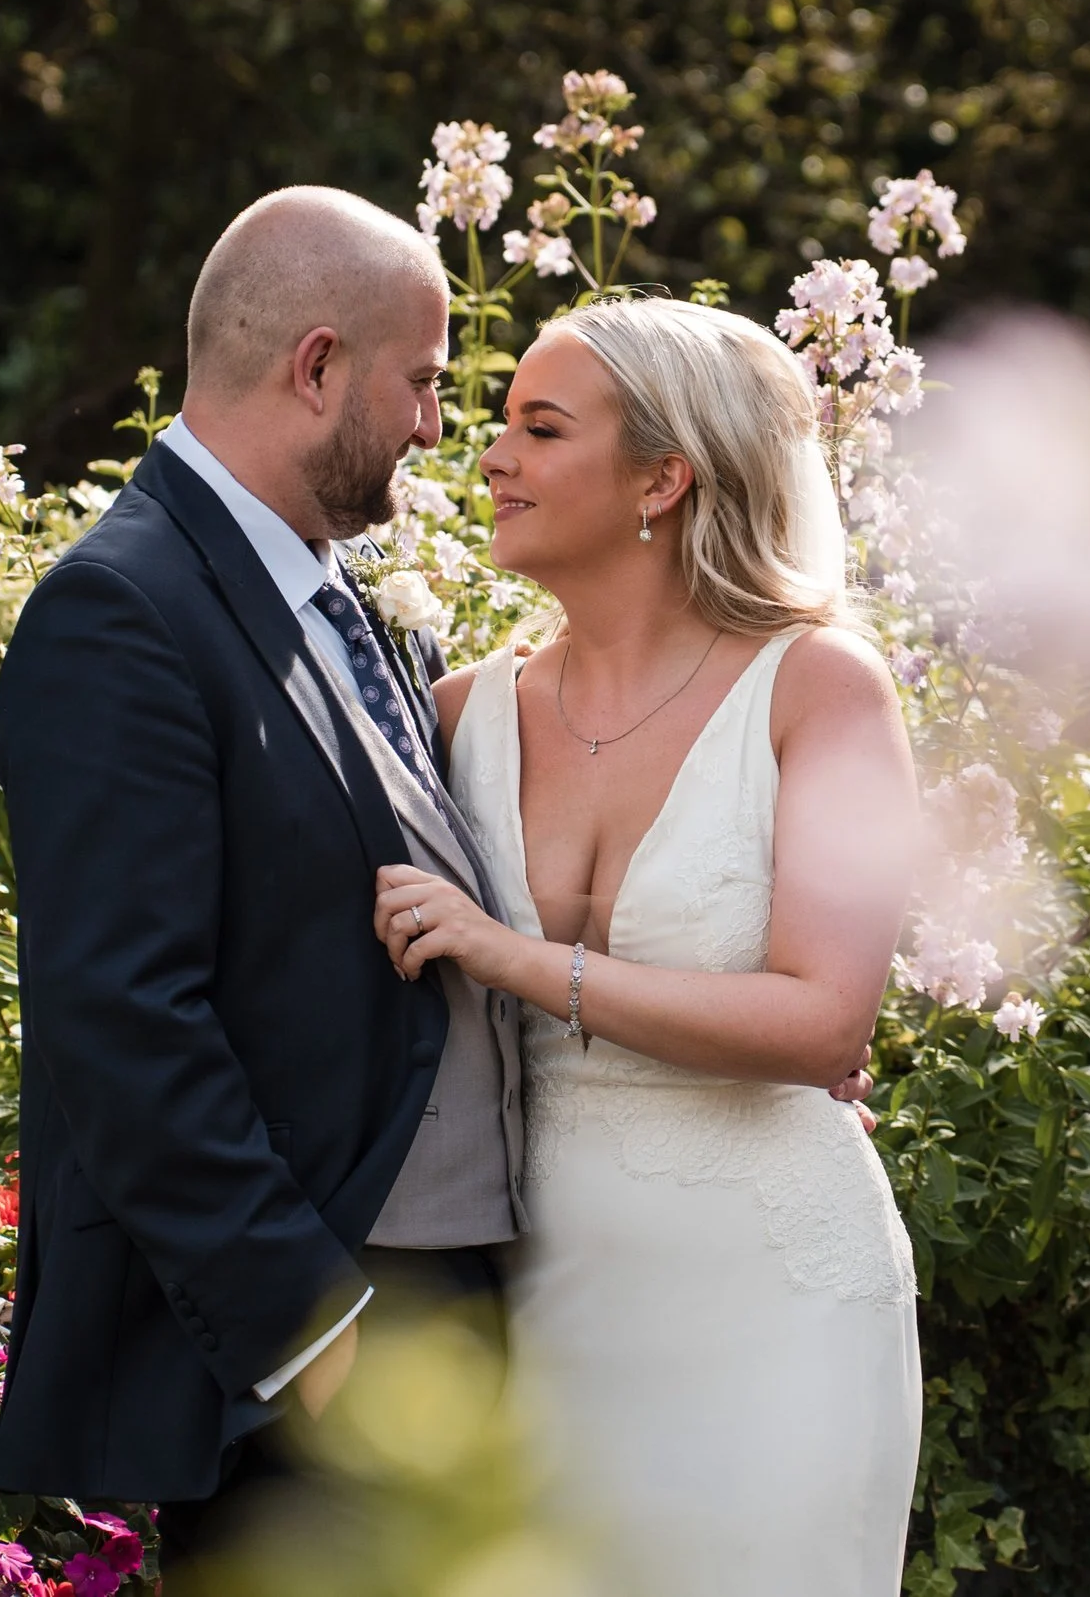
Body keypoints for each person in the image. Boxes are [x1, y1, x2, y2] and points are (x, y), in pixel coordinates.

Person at [0, 186, 528, 1574]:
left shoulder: (330, 594)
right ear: (319, 365)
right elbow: (122, 1018)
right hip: (313, 1343)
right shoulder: (122, 607)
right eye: (423, 382)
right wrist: (317, 1335)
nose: (435, 425)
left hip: (440, 1299)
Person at [374, 295, 925, 1596]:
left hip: (776, 1292)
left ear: (663, 479)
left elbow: (825, 1021)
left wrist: (512, 958)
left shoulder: (820, 690)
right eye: (499, 423)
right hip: (541, 1294)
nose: (491, 455)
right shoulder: (458, 713)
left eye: (541, 427)